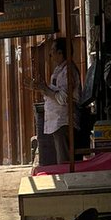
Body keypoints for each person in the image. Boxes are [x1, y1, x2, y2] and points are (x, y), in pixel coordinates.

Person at [35, 37, 82, 165]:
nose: (51, 54)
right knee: (62, 160)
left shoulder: (68, 71)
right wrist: (43, 89)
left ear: (60, 53)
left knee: (65, 162)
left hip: (64, 122)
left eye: (53, 50)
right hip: (58, 122)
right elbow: (55, 92)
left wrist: (46, 89)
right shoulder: (59, 69)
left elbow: (63, 98)